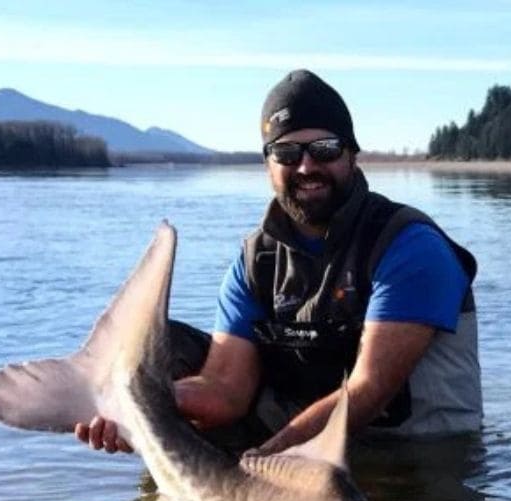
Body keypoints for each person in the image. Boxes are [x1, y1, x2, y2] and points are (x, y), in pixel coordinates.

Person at [78, 69, 481, 456]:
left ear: (352, 155)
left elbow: (368, 390)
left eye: (324, 149)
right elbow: (225, 391)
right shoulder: (256, 262)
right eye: (287, 153)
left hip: (415, 453)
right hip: (301, 446)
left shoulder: (409, 246)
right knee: (157, 349)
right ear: (268, 164)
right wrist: (142, 406)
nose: (306, 167)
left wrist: (263, 464)